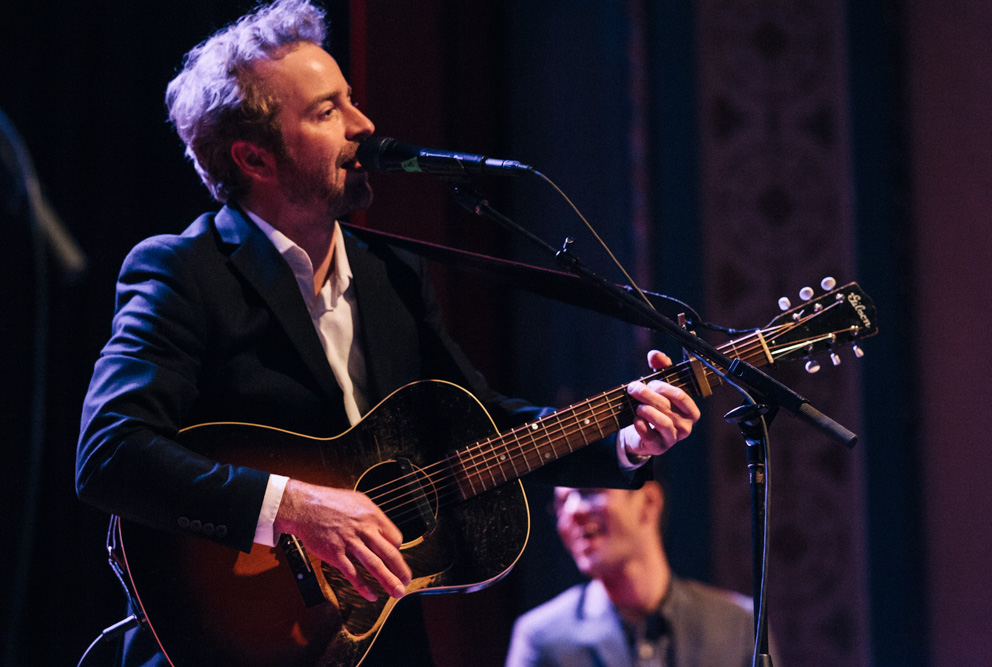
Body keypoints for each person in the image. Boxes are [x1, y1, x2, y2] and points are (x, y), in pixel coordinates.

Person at [75, 1, 700, 665]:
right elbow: (110, 451)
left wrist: (622, 436)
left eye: (350, 100)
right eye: (326, 111)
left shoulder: (390, 274)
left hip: (379, 643)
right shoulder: (184, 271)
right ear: (254, 157)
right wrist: (294, 507)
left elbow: (481, 422)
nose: (364, 126)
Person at [506, 482, 776, 667]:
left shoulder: (740, 624)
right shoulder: (540, 637)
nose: (571, 512)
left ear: (649, 501)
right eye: (561, 502)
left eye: (588, 491)